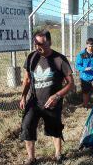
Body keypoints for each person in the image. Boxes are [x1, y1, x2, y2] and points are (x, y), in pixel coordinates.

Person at [19, 30, 74, 164]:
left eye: (42, 44)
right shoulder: (31, 57)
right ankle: (31, 158)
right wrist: (23, 96)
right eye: (36, 43)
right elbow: (26, 79)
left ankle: (58, 154)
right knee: (27, 126)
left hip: (52, 103)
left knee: (55, 128)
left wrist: (57, 96)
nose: (39, 47)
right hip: (34, 101)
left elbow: (71, 83)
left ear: (50, 42)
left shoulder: (59, 59)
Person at [75, 38, 93, 108]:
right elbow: (77, 65)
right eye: (89, 46)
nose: (90, 48)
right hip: (85, 77)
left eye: (92, 46)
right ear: (86, 45)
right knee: (86, 93)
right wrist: (84, 69)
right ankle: (85, 105)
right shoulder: (81, 54)